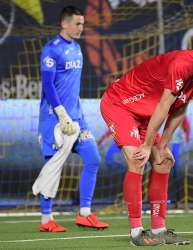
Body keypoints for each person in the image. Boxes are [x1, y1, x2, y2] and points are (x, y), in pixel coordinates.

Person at [100, 50, 193, 246]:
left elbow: (179, 110)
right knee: (137, 159)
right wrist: (146, 146)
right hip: (120, 105)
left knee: (163, 162)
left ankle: (159, 230)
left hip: (144, 116)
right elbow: (163, 106)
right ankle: (136, 233)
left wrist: (163, 146)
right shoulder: (181, 65)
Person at [38, 5, 108, 232]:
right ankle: (45, 220)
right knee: (52, 167)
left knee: (93, 159)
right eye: (77, 23)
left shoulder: (77, 48)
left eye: (82, 24)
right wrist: (60, 113)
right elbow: (48, 84)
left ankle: (84, 213)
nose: (81, 27)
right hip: (54, 119)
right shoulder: (51, 50)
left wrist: (73, 114)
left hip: (77, 119)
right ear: (64, 24)